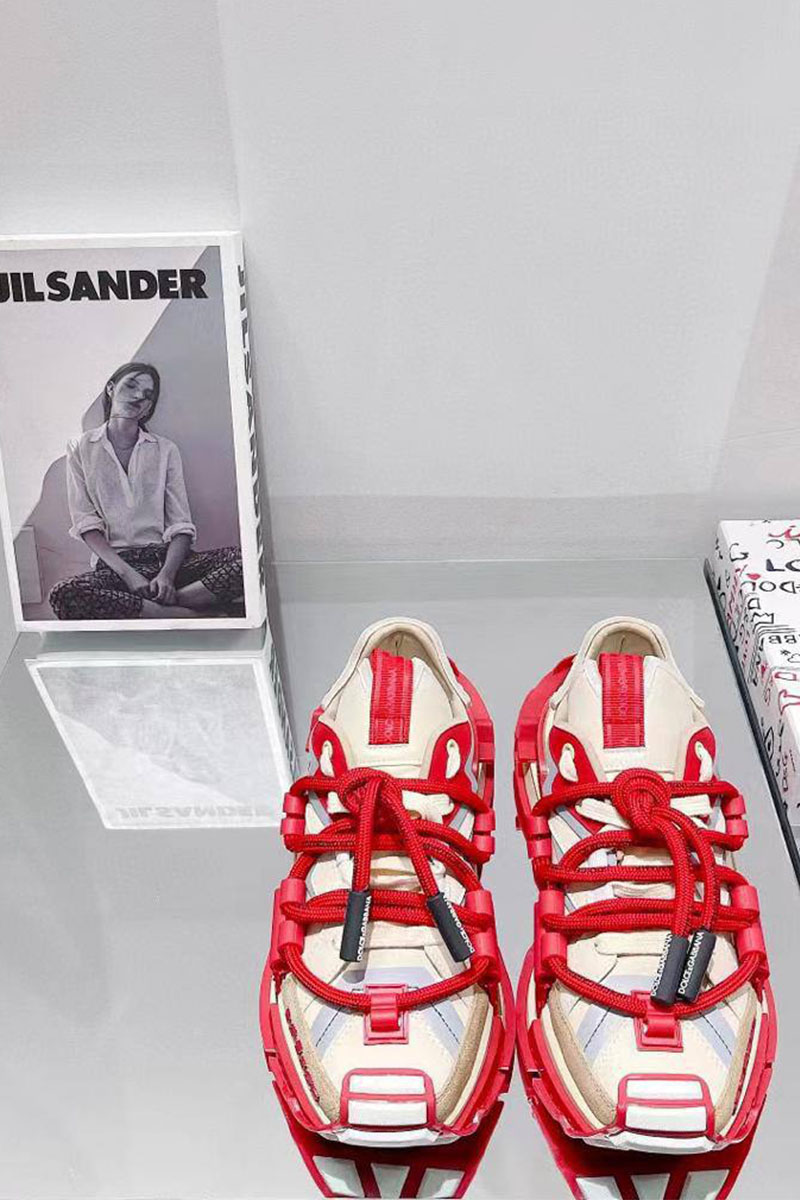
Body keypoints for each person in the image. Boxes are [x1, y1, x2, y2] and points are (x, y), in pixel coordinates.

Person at [49, 361, 243, 620]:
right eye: (131, 385)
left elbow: (181, 525)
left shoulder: (165, 449)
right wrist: (130, 576)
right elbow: (86, 523)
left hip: (169, 562)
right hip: (116, 568)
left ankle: (164, 607)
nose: (139, 395)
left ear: (149, 407)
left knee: (248, 560)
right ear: (110, 388)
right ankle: (192, 616)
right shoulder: (80, 447)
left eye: (148, 394)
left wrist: (167, 576)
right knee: (64, 594)